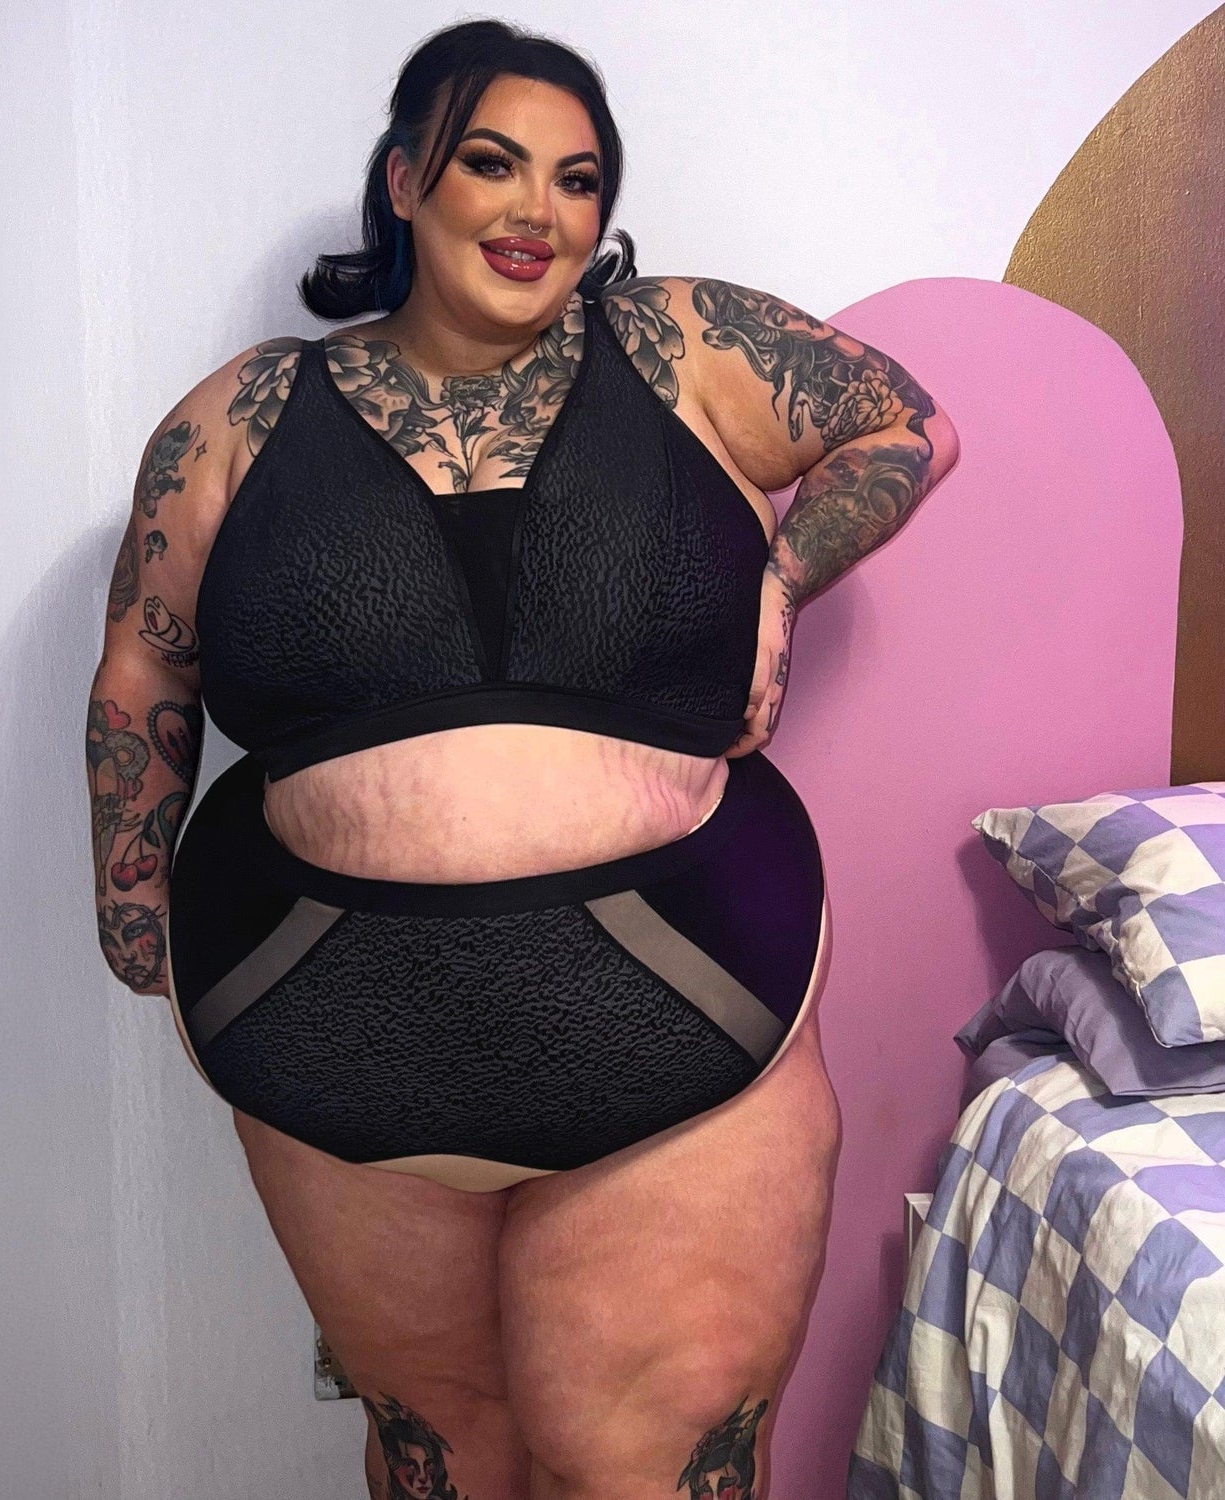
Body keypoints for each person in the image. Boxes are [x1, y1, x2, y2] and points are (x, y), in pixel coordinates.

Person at [86, 18, 959, 1498]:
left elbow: (908, 427)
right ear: (406, 179)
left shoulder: (684, 347)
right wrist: (128, 900)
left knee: (649, 1465)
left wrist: (781, 575)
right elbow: (148, 659)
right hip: (329, 1008)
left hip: (679, 993)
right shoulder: (240, 415)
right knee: (437, 1457)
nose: (537, 210)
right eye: (494, 163)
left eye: (578, 178)